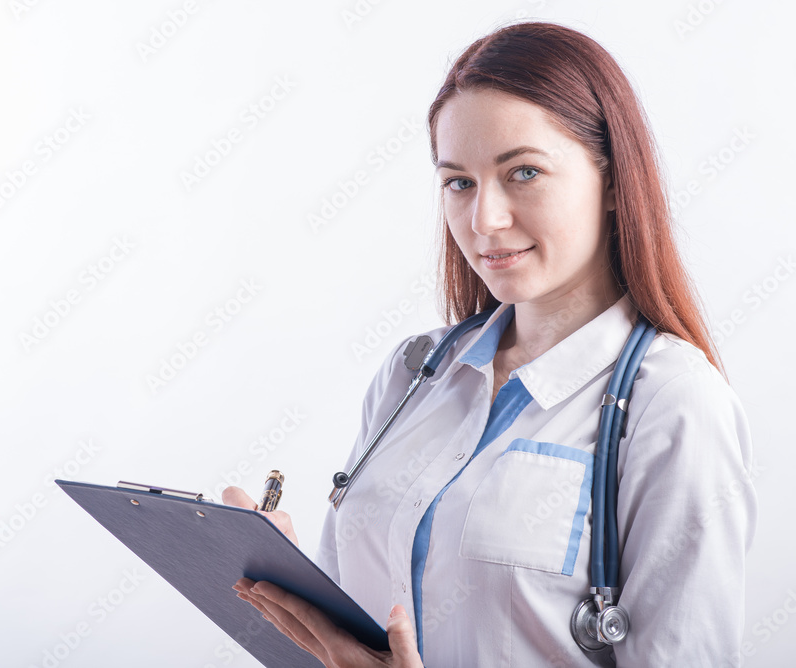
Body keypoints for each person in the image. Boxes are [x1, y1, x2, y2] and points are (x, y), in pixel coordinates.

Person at [225, 20, 757, 667]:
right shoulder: (414, 372)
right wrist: (289, 591)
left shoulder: (673, 403)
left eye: (524, 172)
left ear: (614, 182)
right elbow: (368, 622)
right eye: (459, 182)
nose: (484, 221)